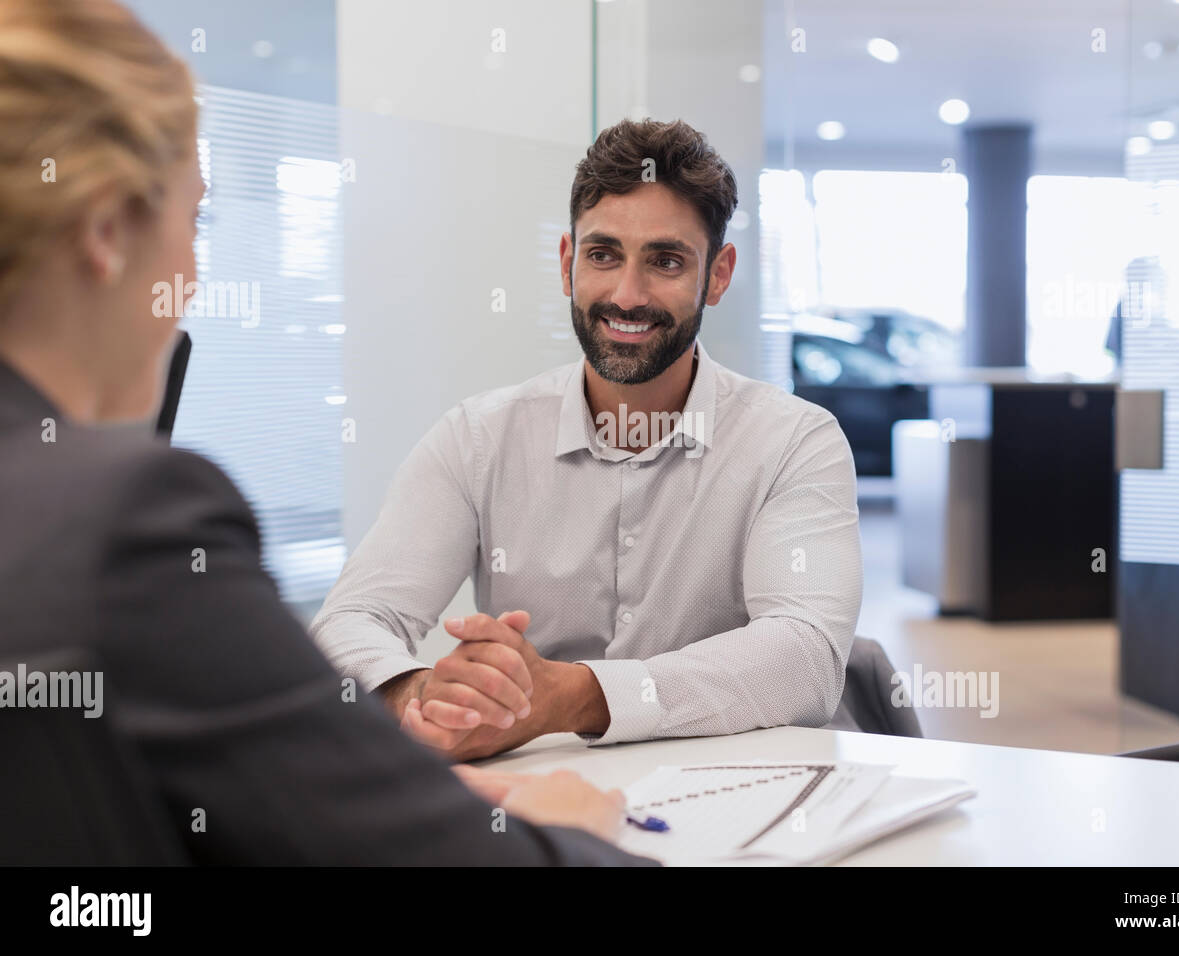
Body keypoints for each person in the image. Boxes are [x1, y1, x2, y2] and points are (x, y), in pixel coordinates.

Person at [0, 0, 649, 866]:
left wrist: (351, 791)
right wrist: (567, 831)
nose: (191, 278)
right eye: (194, 223)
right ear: (109, 231)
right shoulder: (127, 519)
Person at [311, 119, 864, 761]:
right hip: (538, 810)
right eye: (604, 256)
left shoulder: (795, 442)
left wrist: (571, 696)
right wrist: (424, 697)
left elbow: (805, 656)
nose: (627, 296)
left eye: (665, 261)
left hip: (738, 801)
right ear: (569, 263)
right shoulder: (477, 439)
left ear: (717, 275)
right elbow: (349, 622)